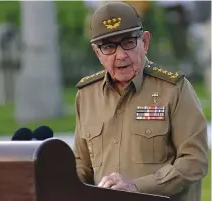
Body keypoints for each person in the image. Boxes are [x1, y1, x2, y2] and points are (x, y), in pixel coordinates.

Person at [73, 2, 209, 201]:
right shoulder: (86, 95)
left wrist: (136, 187)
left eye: (128, 42)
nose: (120, 55)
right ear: (97, 52)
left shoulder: (174, 90)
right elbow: (82, 166)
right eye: (109, 47)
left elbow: (194, 162)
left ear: (144, 42)